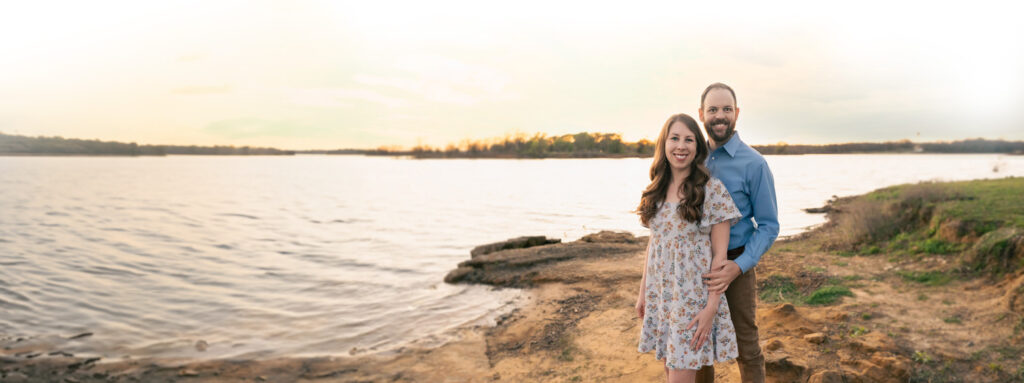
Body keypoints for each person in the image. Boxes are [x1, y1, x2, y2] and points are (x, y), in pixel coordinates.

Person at [635, 113, 743, 383]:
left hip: (693, 303)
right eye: (674, 138)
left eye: (688, 140)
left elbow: (719, 257)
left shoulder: (711, 190)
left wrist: (711, 309)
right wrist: (643, 293)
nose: (680, 146)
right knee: (669, 371)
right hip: (662, 298)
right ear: (664, 144)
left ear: (697, 148)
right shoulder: (655, 190)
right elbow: (654, 244)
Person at [695, 83, 780, 383]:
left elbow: (769, 225)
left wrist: (739, 266)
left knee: (747, 343)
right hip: (697, 266)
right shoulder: (690, 158)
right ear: (701, 114)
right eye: (713, 109)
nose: (720, 116)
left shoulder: (754, 164)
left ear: (737, 113)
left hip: (737, 263)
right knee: (699, 341)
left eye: (726, 109)